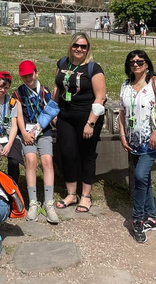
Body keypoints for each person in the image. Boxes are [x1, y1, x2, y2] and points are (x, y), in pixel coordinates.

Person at [117, 50, 156, 244]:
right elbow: (122, 113)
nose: (136, 64)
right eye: (132, 62)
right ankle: (152, 217)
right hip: (132, 140)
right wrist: (122, 135)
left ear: (147, 64)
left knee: (139, 176)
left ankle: (137, 219)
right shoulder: (126, 85)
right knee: (144, 179)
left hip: (150, 139)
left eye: (140, 61)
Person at [53, 32, 106, 214]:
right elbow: (57, 87)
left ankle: (86, 196)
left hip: (87, 117)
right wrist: (54, 110)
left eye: (83, 46)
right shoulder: (62, 63)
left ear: (88, 49)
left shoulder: (93, 68)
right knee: (67, 154)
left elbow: (100, 97)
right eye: (76, 45)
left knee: (87, 155)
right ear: (71, 46)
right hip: (65, 116)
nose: (79, 49)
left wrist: (90, 123)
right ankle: (71, 194)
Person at [14, 60, 58, 224]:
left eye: (30, 75)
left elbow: (51, 109)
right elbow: (18, 115)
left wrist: (55, 118)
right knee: (31, 160)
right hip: (27, 133)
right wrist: (24, 133)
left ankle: (49, 202)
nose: (27, 78)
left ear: (36, 73)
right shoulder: (18, 93)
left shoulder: (45, 91)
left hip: (44, 131)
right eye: (24, 76)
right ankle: (33, 202)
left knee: (47, 161)